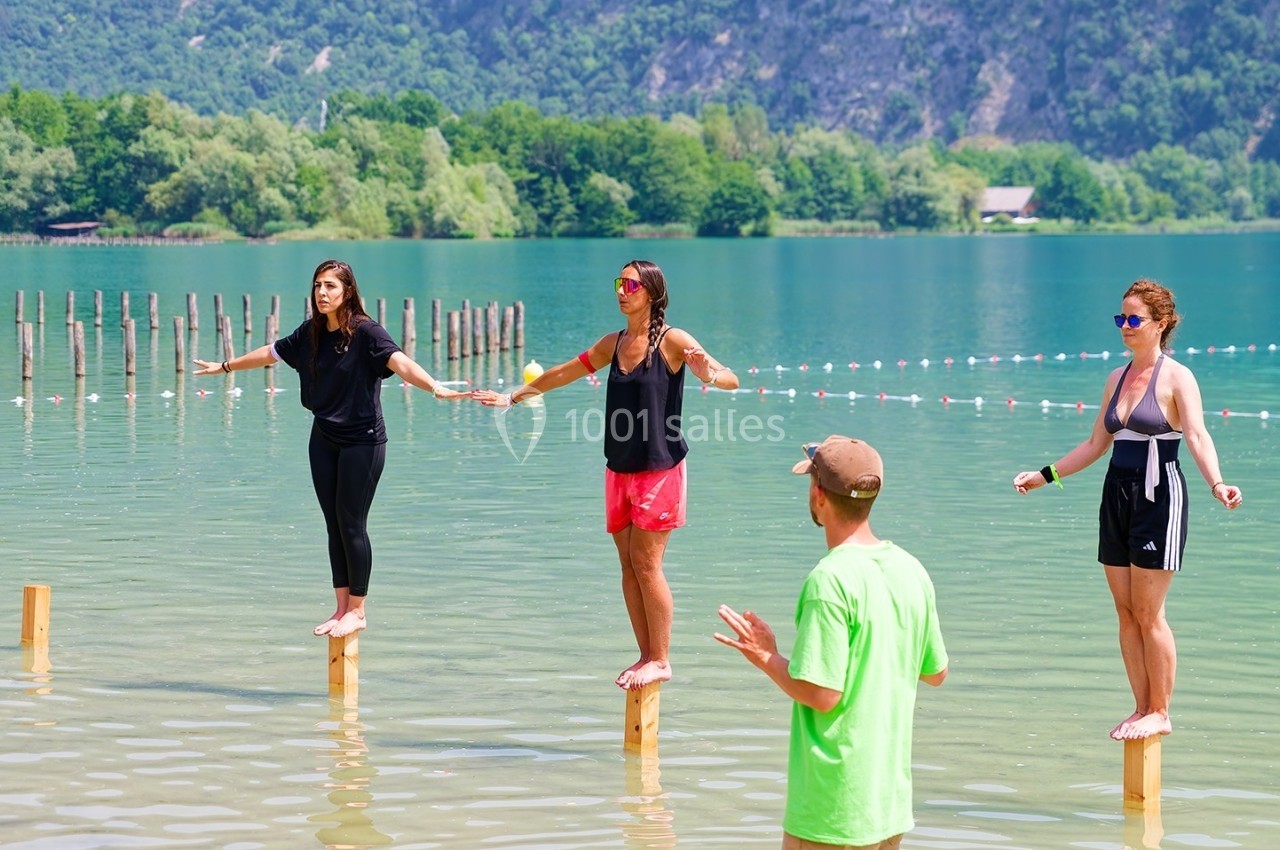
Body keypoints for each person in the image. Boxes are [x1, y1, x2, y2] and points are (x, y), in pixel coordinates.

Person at [473, 259, 738, 690]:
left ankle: (661, 659)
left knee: (648, 565)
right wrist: (514, 396)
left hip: (660, 469)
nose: (622, 290)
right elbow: (563, 372)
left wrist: (707, 370)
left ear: (650, 292)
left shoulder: (673, 341)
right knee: (628, 566)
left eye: (631, 284)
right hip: (619, 468)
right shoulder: (612, 343)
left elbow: (731, 379)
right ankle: (644, 655)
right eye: (619, 283)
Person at [1013, 278, 1242, 741]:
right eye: (1121, 318)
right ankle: (1140, 707)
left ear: (1161, 324)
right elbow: (1097, 443)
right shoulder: (1115, 378)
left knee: (1149, 611)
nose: (1125, 326)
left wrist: (1217, 483)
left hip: (1160, 496)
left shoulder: (1178, 377)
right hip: (1116, 492)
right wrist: (1045, 475)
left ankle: (1161, 710)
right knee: (1124, 611)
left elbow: (1197, 436)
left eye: (1135, 319)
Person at [195, 259, 470, 638]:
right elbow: (271, 353)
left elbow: (401, 363)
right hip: (323, 437)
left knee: (352, 522)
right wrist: (225, 366)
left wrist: (436, 388)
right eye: (317, 286)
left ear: (347, 292)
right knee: (333, 524)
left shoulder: (368, 333)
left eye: (330, 287)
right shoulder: (311, 332)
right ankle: (341, 607)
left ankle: (358, 610)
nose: (322, 293)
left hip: (363, 440)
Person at [716, 436, 948, 850]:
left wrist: (766, 656)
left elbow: (822, 694)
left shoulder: (829, 579)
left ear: (818, 495)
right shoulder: (911, 570)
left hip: (832, 808)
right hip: (887, 804)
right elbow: (935, 671)